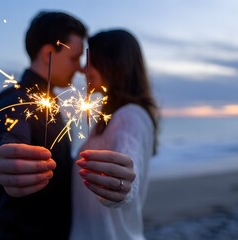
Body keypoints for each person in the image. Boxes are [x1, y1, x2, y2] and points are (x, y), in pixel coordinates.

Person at [0, 11, 87, 239]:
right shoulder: (15, 100)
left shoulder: (50, 101)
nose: (80, 68)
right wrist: (3, 157)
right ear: (49, 53)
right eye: (75, 58)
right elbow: (9, 136)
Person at [70, 29, 160, 240]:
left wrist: (123, 188)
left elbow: (129, 162)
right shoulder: (113, 117)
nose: (83, 69)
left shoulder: (130, 116)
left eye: (89, 60)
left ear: (112, 64)